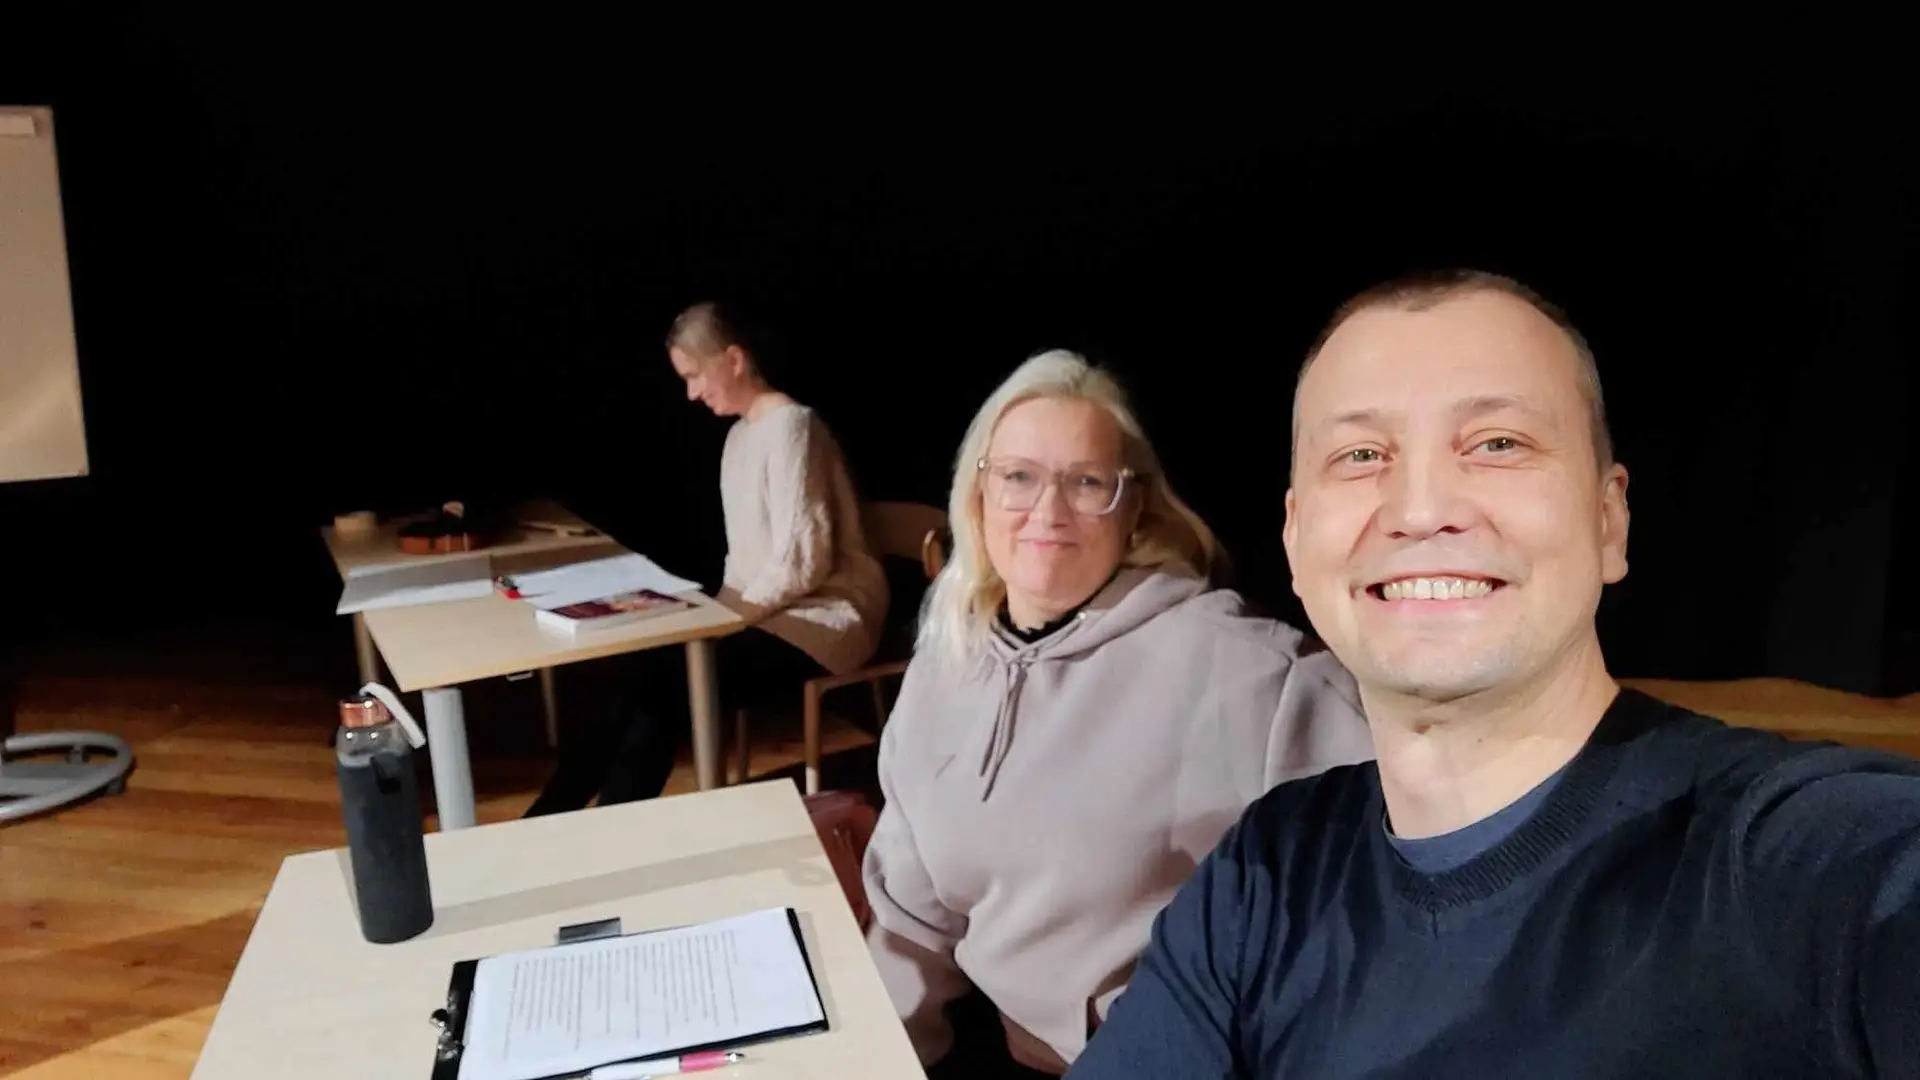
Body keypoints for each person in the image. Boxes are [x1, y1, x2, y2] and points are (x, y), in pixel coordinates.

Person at [1068, 270, 1920, 1078]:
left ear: (1609, 521)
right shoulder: (1265, 876)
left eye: (1497, 444)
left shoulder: (1794, 860)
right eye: (1361, 455)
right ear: (1294, 540)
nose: (1420, 510)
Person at [861, 350, 1376, 1078]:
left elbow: (1389, 888)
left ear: (1133, 506)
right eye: (1018, 477)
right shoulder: (946, 662)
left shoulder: (1245, 669)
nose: (1047, 511)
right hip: (991, 1043)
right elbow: (909, 924)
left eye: (1086, 482)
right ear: (977, 495)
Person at [528, 302, 888, 812]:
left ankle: (602, 829)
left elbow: (803, 561)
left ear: (734, 360)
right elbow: (744, 564)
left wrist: (724, 621)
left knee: (664, 691)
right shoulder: (739, 436)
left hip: (822, 619)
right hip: (765, 614)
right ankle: (549, 820)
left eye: (695, 376)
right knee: (639, 677)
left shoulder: (793, 427)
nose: (692, 393)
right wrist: (714, 616)